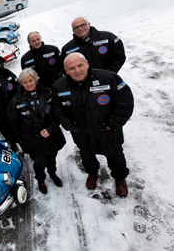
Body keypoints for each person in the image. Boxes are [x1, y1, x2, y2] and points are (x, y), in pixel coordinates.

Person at [52, 53, 134, 197]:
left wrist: (111, 125)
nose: (77, 70)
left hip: (108, 132)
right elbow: (58, 110)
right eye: (72, 68)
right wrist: (71, 127)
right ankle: (92, 174)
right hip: (82, 133)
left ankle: (120, 178)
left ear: (87, 64)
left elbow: (125, 102)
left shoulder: (109, 78)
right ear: (66, 71)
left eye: (80, 65)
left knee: (115, 156)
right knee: (87, 156)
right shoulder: (59, 86)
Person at [8, 68, 66, 194]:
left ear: (35, 80)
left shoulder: (48, 94)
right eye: (25, 82)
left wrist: (50, 129)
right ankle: (41, 180)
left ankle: (53, 174)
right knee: (39, 162)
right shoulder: (16, 101)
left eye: (30, 80)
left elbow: (57, 114)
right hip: (32, 140)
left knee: (52, 158)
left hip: (50, 136)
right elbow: (14, 123)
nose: (28, 84)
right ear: (21, 83)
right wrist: (21, 139)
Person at [61, 17, 126, 73]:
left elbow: (119, 57)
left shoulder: (108, 37)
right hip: (83, 84)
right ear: (73, 30)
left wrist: (108, 74)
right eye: (76, 27)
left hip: (108, 79)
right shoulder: (68, 49)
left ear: (88, 24)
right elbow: (65, 68)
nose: (80, 28)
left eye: (82, 25)